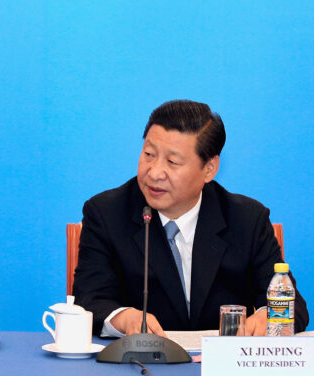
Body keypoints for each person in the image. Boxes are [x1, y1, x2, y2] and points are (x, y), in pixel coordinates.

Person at [73, 99, 308, 337]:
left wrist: (268, 317)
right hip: (141, 365)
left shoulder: (247, 219)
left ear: (209, 169)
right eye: (149, 155)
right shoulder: (106, 213)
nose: (154, 173)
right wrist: (121, 317)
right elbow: (89, 300)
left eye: (173, 162)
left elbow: (293, 307)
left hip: (223, 367)